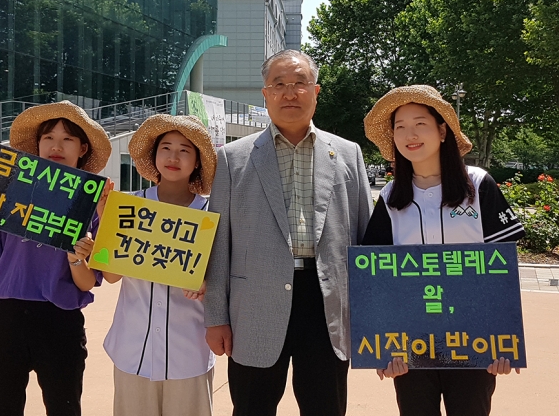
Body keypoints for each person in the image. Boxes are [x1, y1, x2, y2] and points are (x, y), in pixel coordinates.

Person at [203, 49, 373, 416]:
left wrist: (370, 313)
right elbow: (218, 243)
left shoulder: (348, 154)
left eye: (300, 84)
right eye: (278, 84)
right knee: (251, 407)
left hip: (327, 302)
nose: (290, 93)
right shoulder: (233, 158)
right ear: (265, 94)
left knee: (325, 406)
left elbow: (364, 236)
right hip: (254, 305)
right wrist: (216, 314)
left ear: (316, 91)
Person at [362, 85, 524, 416]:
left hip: (473, 341)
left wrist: (502, 339)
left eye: (420, 123)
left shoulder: (477, 185)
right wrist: (383, 346)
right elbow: (376, 278)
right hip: (412, 344)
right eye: (400, 126)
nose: (410, 134)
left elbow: (502, 271)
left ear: (442, 130)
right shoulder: (391, 197)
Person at [0, 101, 113, 416]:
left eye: (68, 139)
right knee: (3, 408)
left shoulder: (93, 204)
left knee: (64, 408)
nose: (56, 146)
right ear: (38, 144)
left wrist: (75, 256)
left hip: (60, 320)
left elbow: (89, 282)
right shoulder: (12, 190)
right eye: (48, 138)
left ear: (83, 147)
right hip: (5, 317)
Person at [100, 114, 218, 416]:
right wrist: (106, 222)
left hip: (189, 352)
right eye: (166, 147)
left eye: (184, 150)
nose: (173, 157)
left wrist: (208, 286)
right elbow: (110, 275)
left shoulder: (212, 213)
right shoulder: (129, 205)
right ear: (154, 156)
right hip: (131, 350)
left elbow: (221, 276)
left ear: (197, 162)